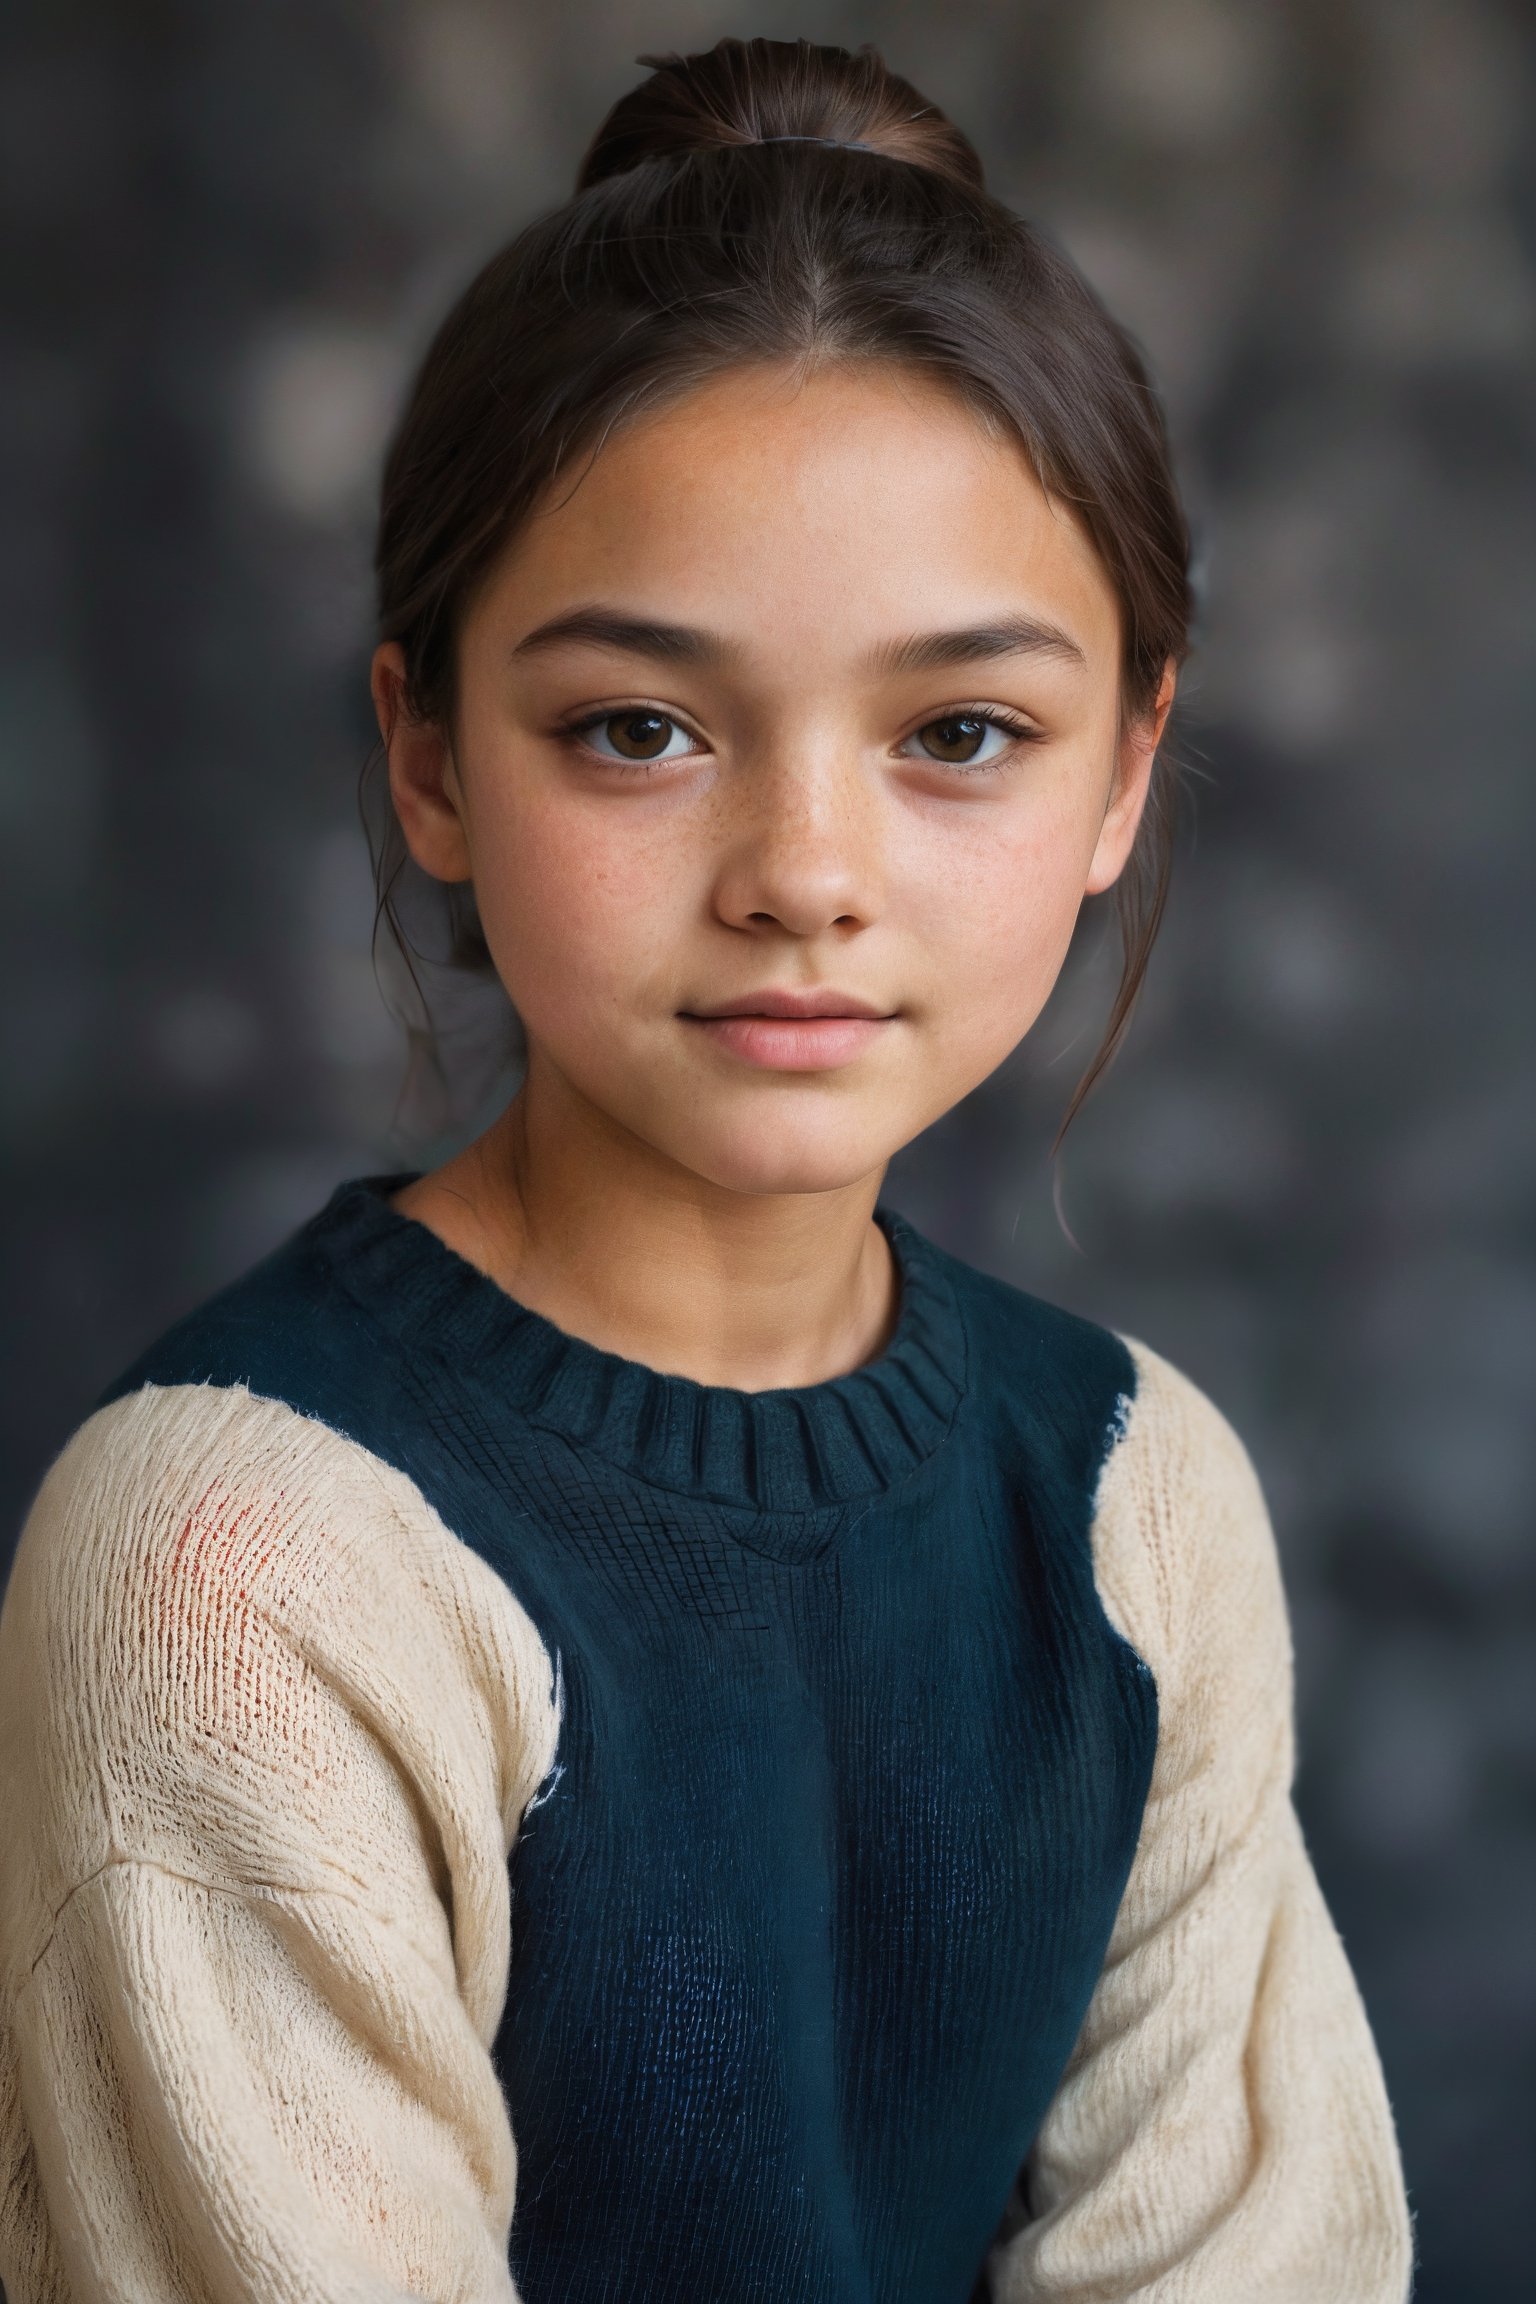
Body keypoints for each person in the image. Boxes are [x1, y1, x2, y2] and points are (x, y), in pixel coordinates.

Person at [0, 35, 1414, 2304]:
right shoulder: (240, 1573)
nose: (802, 876)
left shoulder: (1139, 1499)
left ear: (1128, 772)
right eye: (637, 728)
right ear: (431, 756)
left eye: (961, 734)